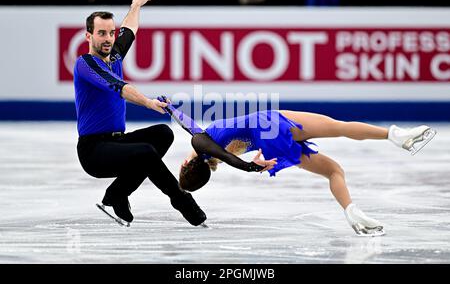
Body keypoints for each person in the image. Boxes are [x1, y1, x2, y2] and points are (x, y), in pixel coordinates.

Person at [161, 101, 435, 236]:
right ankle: (395, 135)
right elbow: (191, 126)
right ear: (185, 163)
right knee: (338, 127)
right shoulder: (202, 142)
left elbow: (223, 155)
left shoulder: (212, 157)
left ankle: (352, 212)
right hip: (270, 123)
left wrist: (253, 168)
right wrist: (171, 107)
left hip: (270, 144)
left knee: (333, 170)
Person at [74, 0, 206, 227]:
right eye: (101, 33)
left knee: (162, 134)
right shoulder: (85, 64)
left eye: (110, 33)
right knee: (145, 152)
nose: (108, 38)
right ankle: (181, 200)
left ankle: (117, 193)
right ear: (88, 36)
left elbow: (129, 30)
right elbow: (120, 88)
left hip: (116, 142)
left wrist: (135, 6)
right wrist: (148, 102)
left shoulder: (113, 57)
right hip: (93, 152)